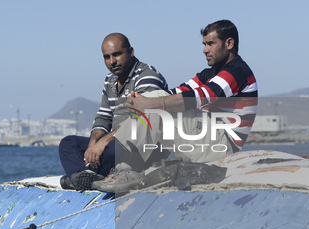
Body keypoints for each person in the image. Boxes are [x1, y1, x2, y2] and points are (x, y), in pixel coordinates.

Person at [93, 19, 258, 192]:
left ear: (229, 43)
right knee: (155, 99)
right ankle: (125, 169)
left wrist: (150, 103)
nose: (205, 50)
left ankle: (129, 170)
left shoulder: (237, 71)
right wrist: (142, 100)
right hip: (206, 140)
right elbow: (177, 92)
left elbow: (199, 97)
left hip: (223, 147)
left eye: (210, 44)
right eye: (204, 44)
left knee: (156, 102)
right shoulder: (209, 73)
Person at [58, 33, 169, 190]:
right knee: (68, 143)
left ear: (131, 52)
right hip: (116, 143)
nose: (112, 61)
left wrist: (103, 142)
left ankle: (79, 176)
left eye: (117, 54)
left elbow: (140, 118)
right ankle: (86, 176)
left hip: (142, 147)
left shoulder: (147, 76)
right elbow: (103, 118)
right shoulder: (110, 80)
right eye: (107, 57)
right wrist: (92, 146)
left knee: (112, 151)